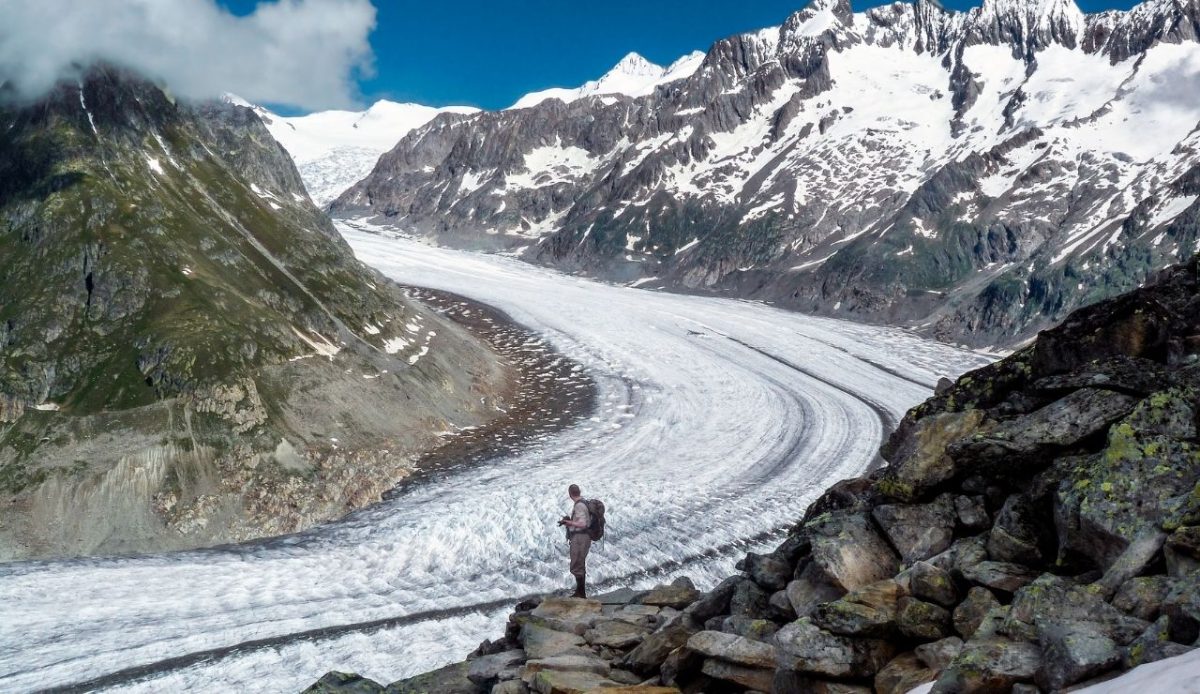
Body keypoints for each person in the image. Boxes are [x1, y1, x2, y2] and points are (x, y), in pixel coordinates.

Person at [557, 483, 591, 598]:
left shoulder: (579, 506)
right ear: (579, 492)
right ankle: (581, 592)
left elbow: (582, 524)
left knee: (576, 565)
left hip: (580, 538)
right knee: (579, 564)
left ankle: (580, 593)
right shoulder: (584, 502)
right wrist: (569, 521)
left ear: (570, 494)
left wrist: (568, 522)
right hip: (583, 537)